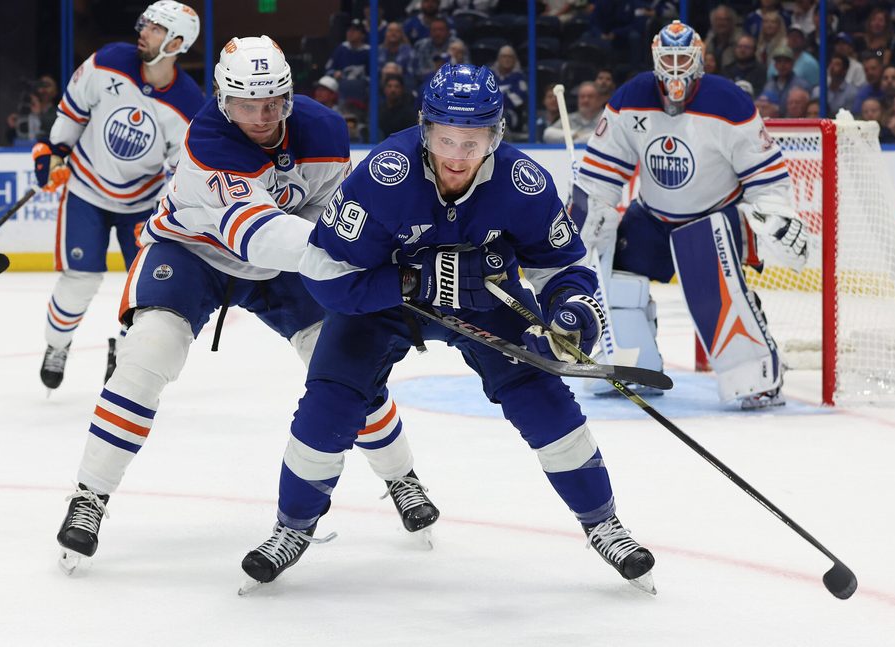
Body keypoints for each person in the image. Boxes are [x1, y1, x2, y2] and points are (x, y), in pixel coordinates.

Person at [239, 62, 656, 594]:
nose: (457, 155)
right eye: (445, 139)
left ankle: (604, 523)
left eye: (472, 141)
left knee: (542, 396)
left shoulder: (521, 182)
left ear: (495, 136)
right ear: (426, 129)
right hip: (382, 302)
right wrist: (412, 281)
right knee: (330, 403)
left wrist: (571, 310)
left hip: (485, 299)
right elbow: (324, 274)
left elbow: (563, 267)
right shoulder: (382, 175)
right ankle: (291, 527)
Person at [55, 35, 439, 573]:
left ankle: (401, 477)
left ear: (288, 94)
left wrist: (372, 255)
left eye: (272, 101)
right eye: (243, 103)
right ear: (221, 100)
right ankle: (89, 496)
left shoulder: (324, 131)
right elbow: (257, 233)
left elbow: (333, 216)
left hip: (284, 264)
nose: (260, 116)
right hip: (195, 251)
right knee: (146, 357)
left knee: (349, 370)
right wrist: (376, 273)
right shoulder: (208, 140)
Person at [573, 20, 809, 409]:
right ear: (655, 59)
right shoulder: (631, 97)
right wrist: (589, 213)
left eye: (684, 57)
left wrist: (776, 214)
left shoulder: (730, 103)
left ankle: (753, 374)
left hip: (714, 217)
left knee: (711, 288)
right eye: (669, 58)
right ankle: (635, 364)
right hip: (652, 215)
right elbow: (601, 171)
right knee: (615, 274)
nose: (676, 67)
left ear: (700, 59)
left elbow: (767, 179)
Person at [33, 1, 205, 391]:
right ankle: (56, 346)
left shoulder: (189, 106)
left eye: (155, 28)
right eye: (144, 23)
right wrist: (54, 151)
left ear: (177, 42)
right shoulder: (108, 61)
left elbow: (183, 175)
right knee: (80, 279)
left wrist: (164, 212)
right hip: (86, 190)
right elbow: (72, 113)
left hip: (141, 207)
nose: (142, 31)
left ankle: (124, 352)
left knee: (143, 294)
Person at [492, 45, 528, 132]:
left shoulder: (520, 78)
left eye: (510, 57)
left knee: (501, 117)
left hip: (511, 114)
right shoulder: (490, 76)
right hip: (490, 111)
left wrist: (495, 98)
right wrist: (505, 94)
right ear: (499, 59)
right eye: (504, 57)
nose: (507, 60)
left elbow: (517, 101)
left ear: (515, 60)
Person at [378, 73, 418, 137]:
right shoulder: (378, 111)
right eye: (389, 86)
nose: (393, 90)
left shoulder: (409, 114)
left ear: (402, 89)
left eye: (396, 86)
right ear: (384, 89)